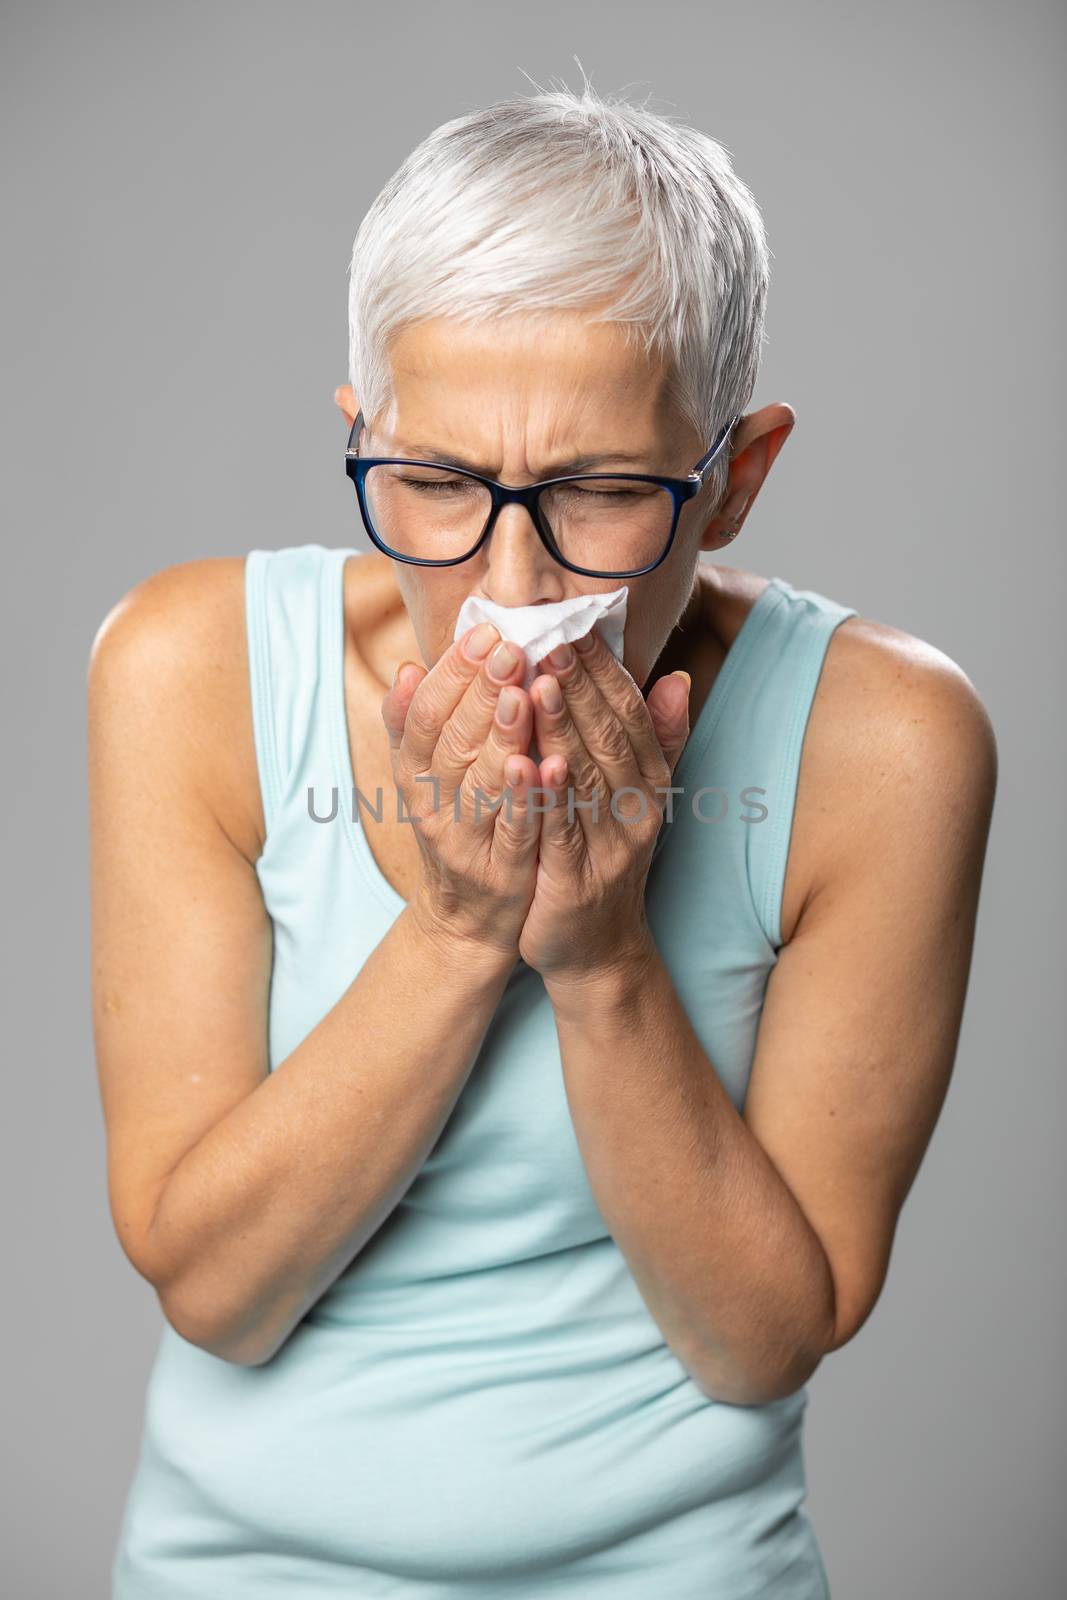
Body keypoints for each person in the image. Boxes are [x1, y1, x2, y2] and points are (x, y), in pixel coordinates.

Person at [89, 78, 997, 1599]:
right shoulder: (188, 672)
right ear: (363, 441)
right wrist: (455, 931)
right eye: (435, 484)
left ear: (735, 477)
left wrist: (597, 951)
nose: (511, 583)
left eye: (598, 492)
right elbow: (216, 1291)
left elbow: (766, 1339)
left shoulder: (887, 746)